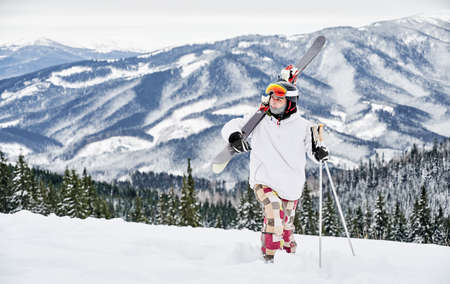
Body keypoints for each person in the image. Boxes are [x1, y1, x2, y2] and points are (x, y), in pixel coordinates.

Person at [221, 65, 329, 263]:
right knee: (275, 213)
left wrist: (319, 153)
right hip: (264, 179)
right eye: (272, 98)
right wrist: (234, 137)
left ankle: (289, 260)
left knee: (286, 228)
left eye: (279, 99)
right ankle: (269, 261)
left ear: (290, 103)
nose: (274, 102)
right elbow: (232, 125)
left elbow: (313, 150)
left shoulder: (303, 127)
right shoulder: (260, 120)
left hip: (291, 185)